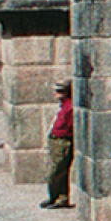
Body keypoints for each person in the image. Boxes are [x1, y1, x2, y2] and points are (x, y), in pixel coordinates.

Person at [39, 79, 74, 208]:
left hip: (62, 140)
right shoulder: (64, 104)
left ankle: (56, 196)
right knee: (59, 170)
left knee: (56, 171)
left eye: (58, 91)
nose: (55, 94)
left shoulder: (70, 106)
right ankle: (58, 197)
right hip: (55, 139)